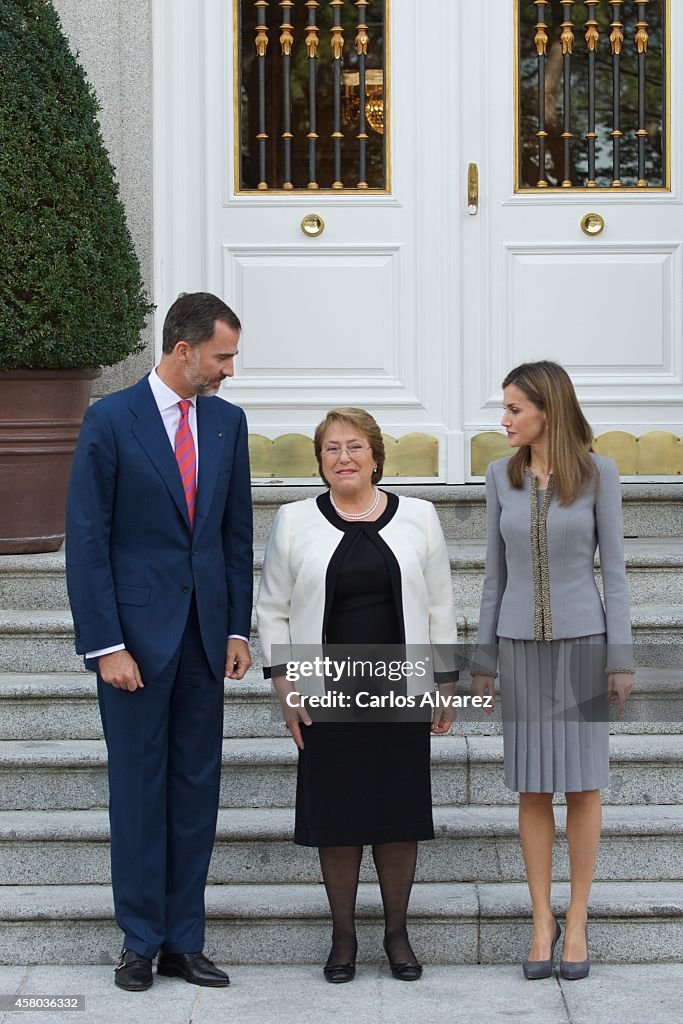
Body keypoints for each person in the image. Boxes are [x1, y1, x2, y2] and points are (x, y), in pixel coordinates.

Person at [65, 292, 253, 991]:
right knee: (138, 793)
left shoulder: (229, 424)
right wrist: (106, 643)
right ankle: (139, 941)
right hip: (134, 647)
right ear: (183, 351)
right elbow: (86, 542)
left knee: (195, 791)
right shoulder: (109, 421)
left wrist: (236, 627)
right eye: (222, 356)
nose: (229, 370)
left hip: (205, 640)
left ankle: (183, 941)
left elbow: (235, 537)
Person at [256, 408, 458, 984]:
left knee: (397, 815)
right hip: (327, 694)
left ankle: (397, 933)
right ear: (319, 462)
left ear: (376, 455)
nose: (344, 458)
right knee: (338, 818)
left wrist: (444, 683)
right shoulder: (294, 521)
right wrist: (283, 684)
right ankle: (343, 936)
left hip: (401, 689)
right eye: (331, 449)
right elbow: (272, 607)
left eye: (355, 446)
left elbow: (441, 605)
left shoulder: (420, 516)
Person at [471, 361, 634, 981]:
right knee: (534, 786)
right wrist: (482, 658)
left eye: (515, 409)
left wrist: (620, 658)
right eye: (505, 409)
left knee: (584, 786)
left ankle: (578, 918)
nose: (505, 420)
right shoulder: (498, 476)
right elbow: (494, 577)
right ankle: (542, 921)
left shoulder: (599, 475)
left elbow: (614, 575)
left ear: (548, 410)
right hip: (519, 648)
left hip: (584, 646)